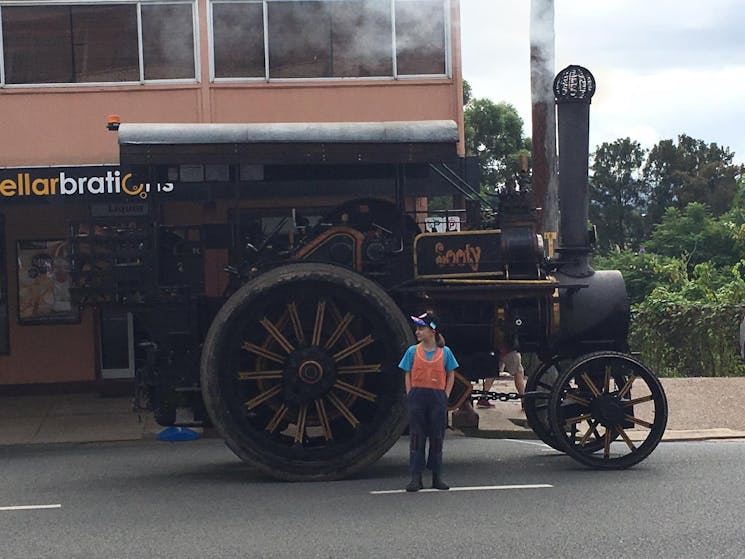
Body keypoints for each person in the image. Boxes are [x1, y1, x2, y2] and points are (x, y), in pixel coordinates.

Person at [399, 311, 458, 492]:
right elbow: (407, 373)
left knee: (437, 438)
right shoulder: (412, 351)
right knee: (417, 438)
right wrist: (410, 392)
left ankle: (436, 476)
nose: (417, 332)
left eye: (421, 328)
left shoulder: (445, 352)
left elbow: (451, 374)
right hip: (418, 396)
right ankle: (416, 477)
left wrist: (446, 394)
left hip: (437, 397)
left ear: (432, 331)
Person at [476, 340, 525, 410]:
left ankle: (483, 397)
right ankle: (524, 400)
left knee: (492, 373)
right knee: (518, 373)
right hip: (508, 348)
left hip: (496, 347)